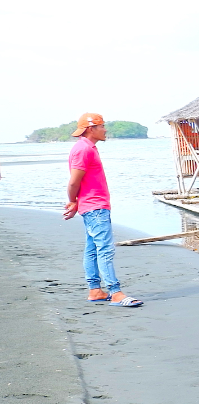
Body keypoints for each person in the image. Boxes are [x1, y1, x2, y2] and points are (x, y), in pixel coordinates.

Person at [63, 113, 142, 307]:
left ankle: (96, 290)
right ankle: (115, 292)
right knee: (105, 249)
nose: (105, 129)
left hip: (92, 205)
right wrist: (72, 201)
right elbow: (74, 181)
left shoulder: (88, 148)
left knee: (92, 249)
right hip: (95, 207)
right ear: (91, 129)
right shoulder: (83, 149)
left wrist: (76, 202)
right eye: (102, 126)